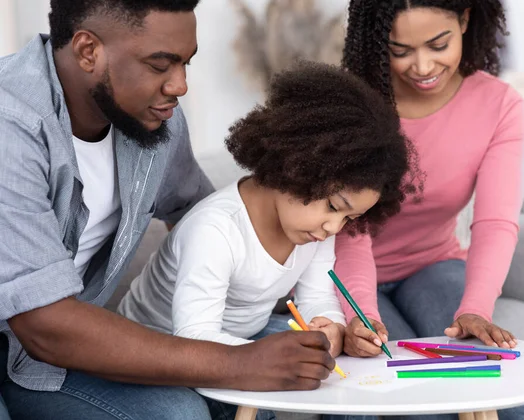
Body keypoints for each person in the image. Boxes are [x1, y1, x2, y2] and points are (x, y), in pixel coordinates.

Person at [0, 2, 338, 419]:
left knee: (313, 361)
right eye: (160, 65)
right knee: (178, 413)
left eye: (185, 64)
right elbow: (45, 326)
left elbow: (207, 216)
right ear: (88, 51)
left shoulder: (153, 120)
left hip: (60, 345)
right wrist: (238, 363)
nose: (180, 86)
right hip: (31, 343)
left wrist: (325, 322)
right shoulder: (10, 127)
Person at [118, 61, 412, 419]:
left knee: (350, 388)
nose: (335, 227)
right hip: (169, 350)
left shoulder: (314, 228)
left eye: (348, 218)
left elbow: (318, 297)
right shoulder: (215, 229)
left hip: (245, 339)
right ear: (296, 166)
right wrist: (272, 358)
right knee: (263, 406)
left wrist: (330, 329)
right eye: (334, 207)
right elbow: (194, 337)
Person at [333, 1, 524, 419]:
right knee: (417, 398)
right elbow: (349, 229)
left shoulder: (499, 105)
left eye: (438, 44)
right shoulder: (353, 105)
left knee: (497, 381)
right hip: (348, 273)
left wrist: (476, 308)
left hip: (432, 262)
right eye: (401, 50)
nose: (422, 66)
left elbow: (495, 221)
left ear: (464, 19)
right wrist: (364, 316)